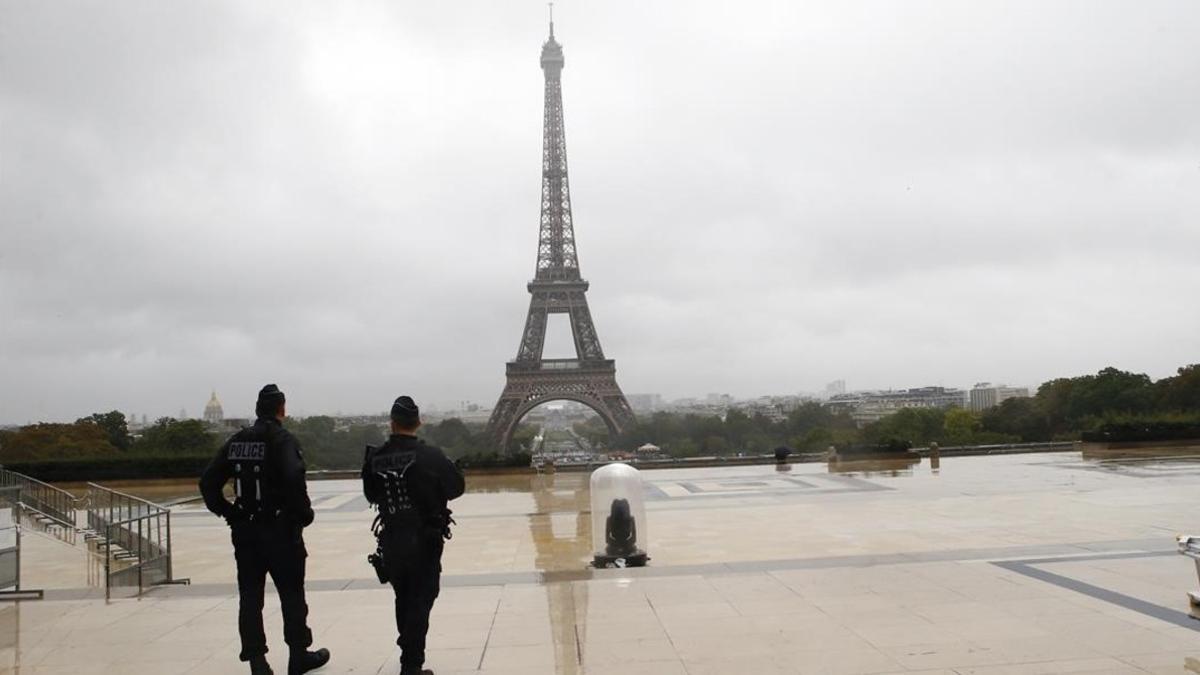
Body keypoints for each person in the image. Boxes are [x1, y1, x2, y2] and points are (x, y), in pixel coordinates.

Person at [199, 384, 330, 675]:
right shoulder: (282, 440)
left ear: (258, 409)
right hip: (281, 531)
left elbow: (208, 483)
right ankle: (298, 656)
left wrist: (231, 514)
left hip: (246, 532)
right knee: (292, 595)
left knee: (250, 597)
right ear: (281, 409)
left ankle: (258, 662)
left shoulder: (237, 441)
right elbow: (294, 477)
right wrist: (303, 515)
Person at [362, 395, 465, 675]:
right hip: (425, 539)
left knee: (403, 596)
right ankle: (411, 662)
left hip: (392, 537)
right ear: (418, 422)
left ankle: (408, 652)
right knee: (423, 597)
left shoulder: (376, 457)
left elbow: (371, 494)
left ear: (392, 423)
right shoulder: (431, 455)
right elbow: (456, 488)